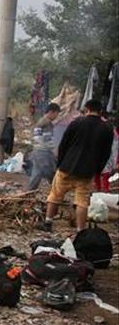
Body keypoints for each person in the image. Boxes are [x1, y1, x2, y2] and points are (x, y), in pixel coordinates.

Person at [42, 99, 114, 232]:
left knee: (55, 195)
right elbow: (106, 153)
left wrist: (60, 164)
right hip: (87, 171)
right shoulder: (107, 129)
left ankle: (48, 222)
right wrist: (97, 171)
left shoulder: (76, 123)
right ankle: (80, 230)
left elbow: (64, 144)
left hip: (67, 167)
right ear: (100, 111)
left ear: (86, 109)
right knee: (82, 201)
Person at [27, 103, 61, 191]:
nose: (56, 116)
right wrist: (54, 151)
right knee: (51, 173)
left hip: (37, 150)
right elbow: (48, 140)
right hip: (44, 152)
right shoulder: (47, 123)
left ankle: (30, 192)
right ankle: (56, 194)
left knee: (37, 173)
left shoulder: (41, 121)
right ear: (51, 112)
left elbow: (36, 137)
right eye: (57, 113)